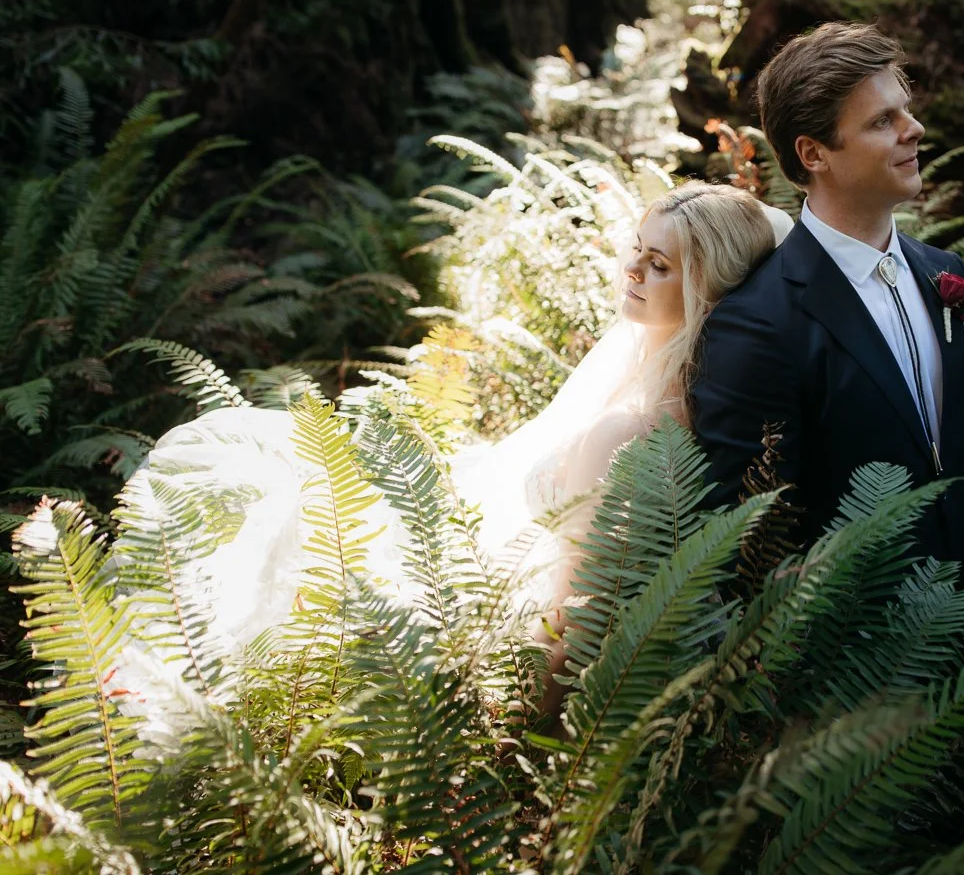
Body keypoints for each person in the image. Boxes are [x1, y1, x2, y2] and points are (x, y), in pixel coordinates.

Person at [110, 182, 791, 731]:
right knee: (253, 473)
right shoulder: (669, 388)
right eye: (637, 250)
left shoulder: (631, 434)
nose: (632, 271)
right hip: (466, 567)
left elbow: (574, 622)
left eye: (660, 265)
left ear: (707, 288)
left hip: (461, 630)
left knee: (255, 527)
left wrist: (509, 734)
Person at [691, 22, 964, 596]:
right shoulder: (757, 324)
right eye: (881, 121)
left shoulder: (946, 274)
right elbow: (745, 535)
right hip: (852, 654)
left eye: (906, 111)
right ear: (813, 153)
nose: (914, 129)